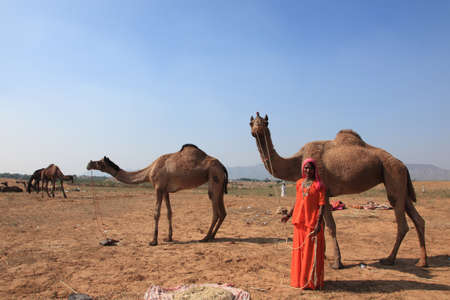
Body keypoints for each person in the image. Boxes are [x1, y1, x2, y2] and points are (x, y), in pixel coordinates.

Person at [281, 158, 326, 290]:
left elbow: (322, 205)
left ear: (314, 170)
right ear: (303, 169)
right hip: (299, 221)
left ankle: (310, 282)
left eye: (310, 168)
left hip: (312, 223)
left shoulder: (319, 185)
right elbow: (297, 201)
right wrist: (288, 215)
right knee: (299, 252)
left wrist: (319, 224)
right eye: (306, 168)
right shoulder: (299, 183)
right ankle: (299, 280)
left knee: (310, 253)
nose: (308, 170)